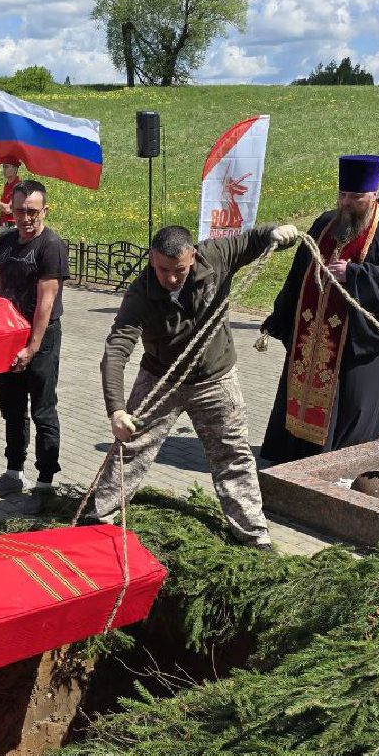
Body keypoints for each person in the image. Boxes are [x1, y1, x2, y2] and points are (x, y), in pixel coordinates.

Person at [94, 223, 299, 546]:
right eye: (163, 269)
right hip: (161, 379)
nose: (172, 278)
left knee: (233, 454)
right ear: (151, 259)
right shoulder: (140, 293)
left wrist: (277, 233)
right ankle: (98, 517)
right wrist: (117, 410)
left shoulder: (216, 255)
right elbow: (117, 348)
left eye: (180, 270)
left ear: (192, 256)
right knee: (130, 448)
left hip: (215, 379)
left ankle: (253, 534)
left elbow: (256, 239)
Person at [260, 154, 379, 465]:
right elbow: (298, 275)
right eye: (343, 195)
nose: (347, 203)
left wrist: (357, 274)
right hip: (313, 334)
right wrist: (280, 315)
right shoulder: (324, 224)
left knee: (349, 403)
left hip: (356, 341)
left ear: (374, 195)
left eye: (356, 197)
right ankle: (296, 453)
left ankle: (341, 460)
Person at [0, 180, 70, 498]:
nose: (26, 218)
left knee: (43, 409)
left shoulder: (51, 246)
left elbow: (47, 301)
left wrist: (32, 347)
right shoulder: (5, 241)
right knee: (12, 408)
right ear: (11, 209)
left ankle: (45, 482)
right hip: (8, 335)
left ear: (44, 210)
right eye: (19, 210)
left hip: (41, 338)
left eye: (32, 211)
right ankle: (13, 473)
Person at [0, 160, 22, 231]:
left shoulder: (18, 186)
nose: (4, 170)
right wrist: (0, 220)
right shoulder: (7, 185)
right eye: (3, 167)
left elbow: (8, 209)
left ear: (15, 169)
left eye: (6, 167)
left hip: (12, 228)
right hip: (4, 226)